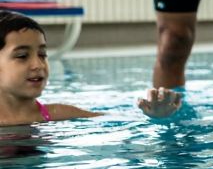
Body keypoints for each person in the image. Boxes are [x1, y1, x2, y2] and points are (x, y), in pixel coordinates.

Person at [0, 11, 182, 125]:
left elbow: (116, 120)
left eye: (42, 54)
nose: (38, 65)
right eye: (22, 56)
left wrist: (157, 116)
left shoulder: (58, 114)